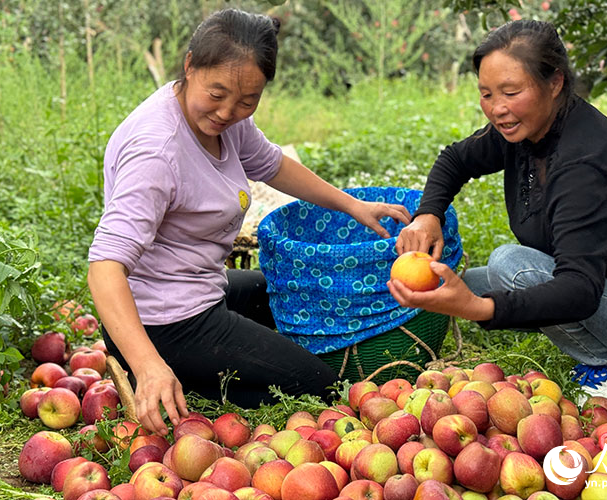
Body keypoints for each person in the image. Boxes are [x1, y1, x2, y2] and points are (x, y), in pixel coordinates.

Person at [87, 8, 410, 436]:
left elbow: (272, 164)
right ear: (189, 66)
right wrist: (149, 365)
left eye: (247, 100)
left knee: (292, 288)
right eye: (216, 93)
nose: (228, 111)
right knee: (324, 390)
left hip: (201, 290)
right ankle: (172, 381)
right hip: (163, 325)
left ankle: (208, 372)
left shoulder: (225, 122)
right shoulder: (156, 152)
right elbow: (105, 268)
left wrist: (351, 205)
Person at [387, 20, 607, 407]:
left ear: (554, 83)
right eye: (486, 94)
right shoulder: (528, 127)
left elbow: (579, 290)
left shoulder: (582, 163)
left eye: (511, 92)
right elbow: (455, 159)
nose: (496, 108)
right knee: (464, 281)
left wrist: (479, 310)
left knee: (509, 266)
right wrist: (428, 215)